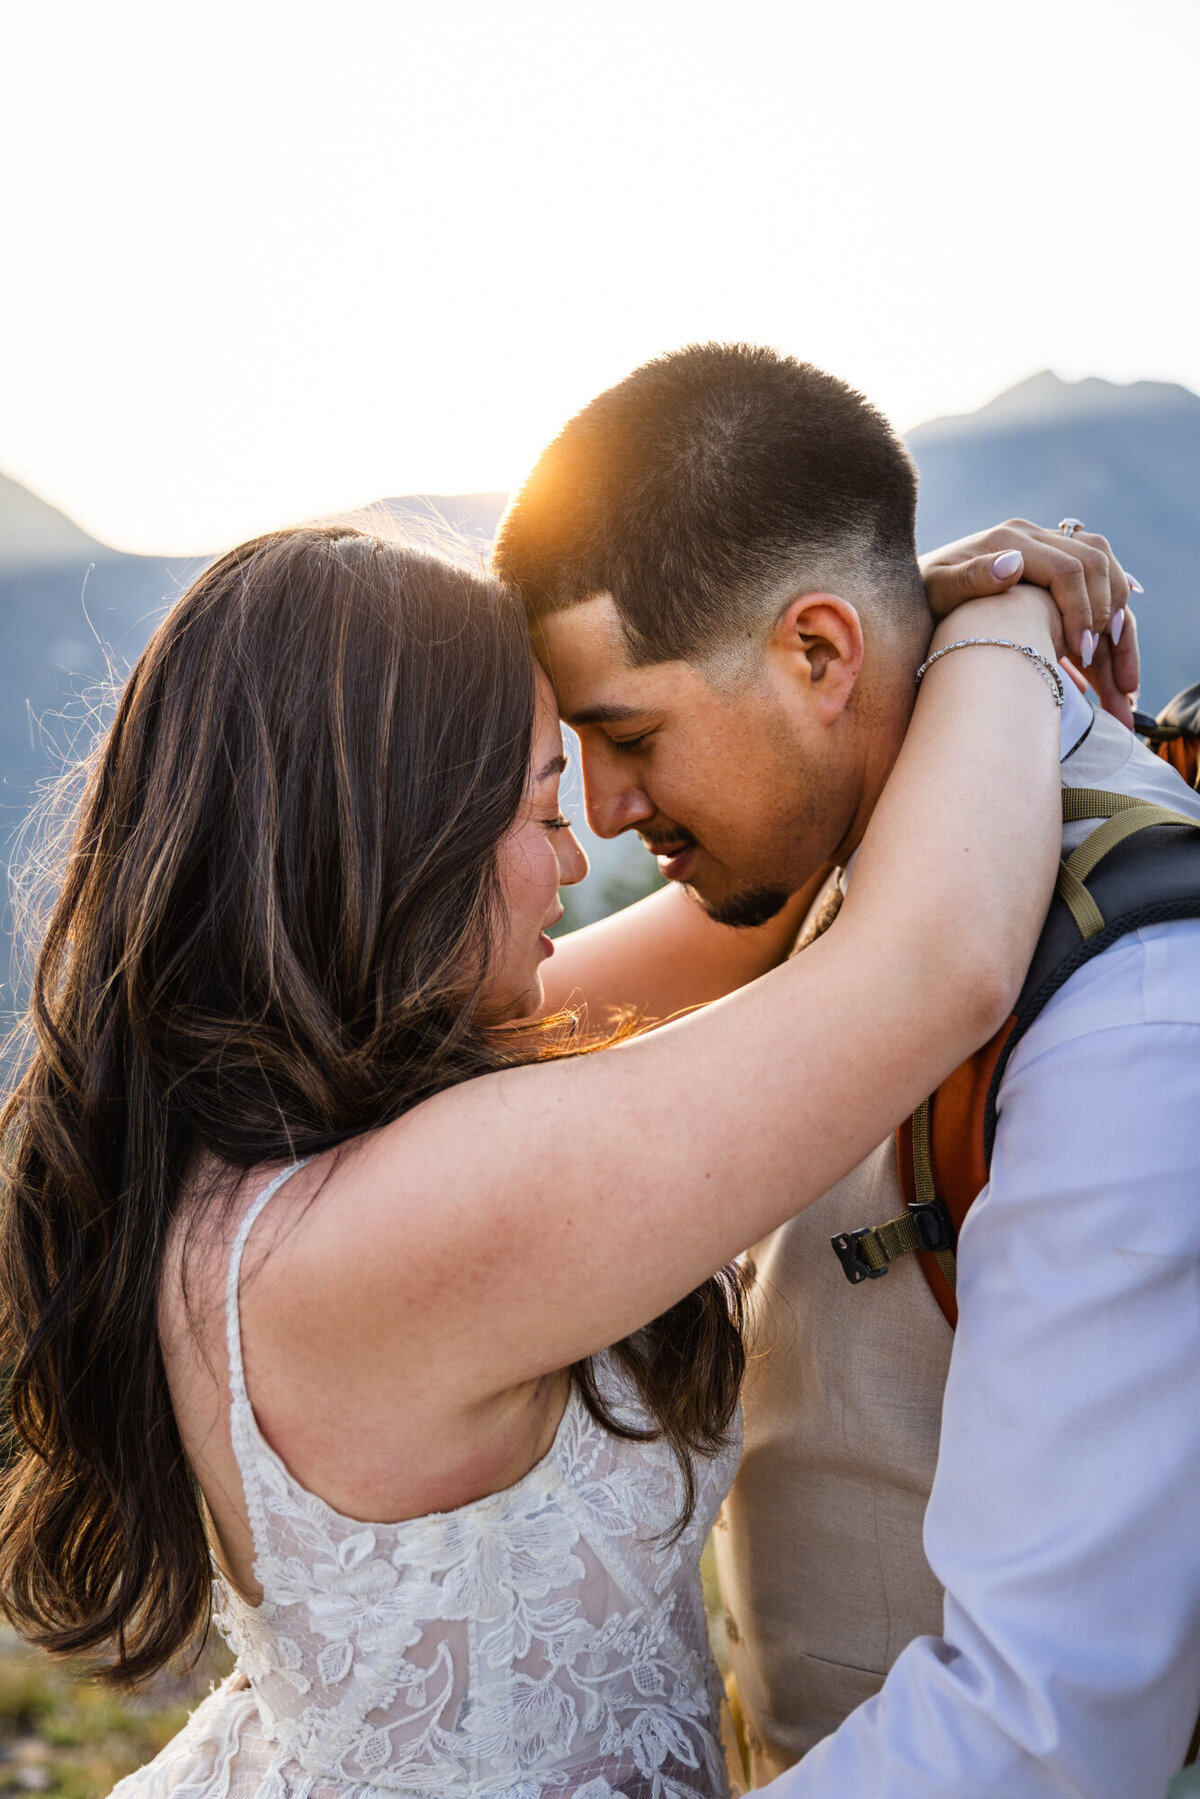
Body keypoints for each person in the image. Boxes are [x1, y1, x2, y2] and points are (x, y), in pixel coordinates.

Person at [0, 524, 1067, 1799]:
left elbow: (751, 902)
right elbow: (936, 962)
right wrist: (1017, 630)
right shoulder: (400, 1222)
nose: (575, 861)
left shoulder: (285, 1120)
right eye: (540, 810)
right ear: (391, 839)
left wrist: (868, 637)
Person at [493, 342, 1200, 1799]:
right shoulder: (826, 834)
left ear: (821, 655)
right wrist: (973, 616)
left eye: (629, 737)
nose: (609, 815)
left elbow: (1044, 1724)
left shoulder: (1126, 1020)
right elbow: (518, 1031)